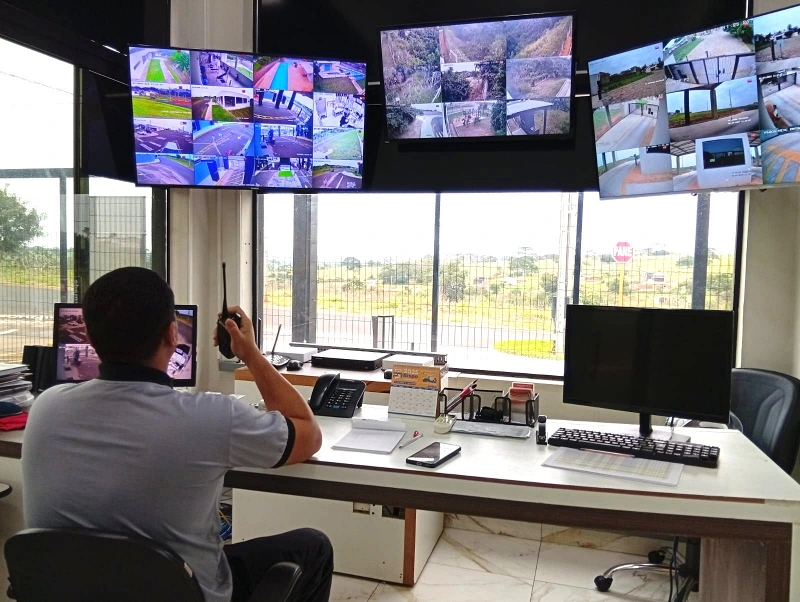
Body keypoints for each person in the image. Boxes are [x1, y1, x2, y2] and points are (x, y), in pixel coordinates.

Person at [22, 267, 332, 602]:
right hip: (178, 591)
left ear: (89, 336)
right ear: (173, 334)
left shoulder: (45, 407)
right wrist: (250, 354)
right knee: (313, 546)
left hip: (74, 590)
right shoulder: (213, 418)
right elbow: (308, 434)